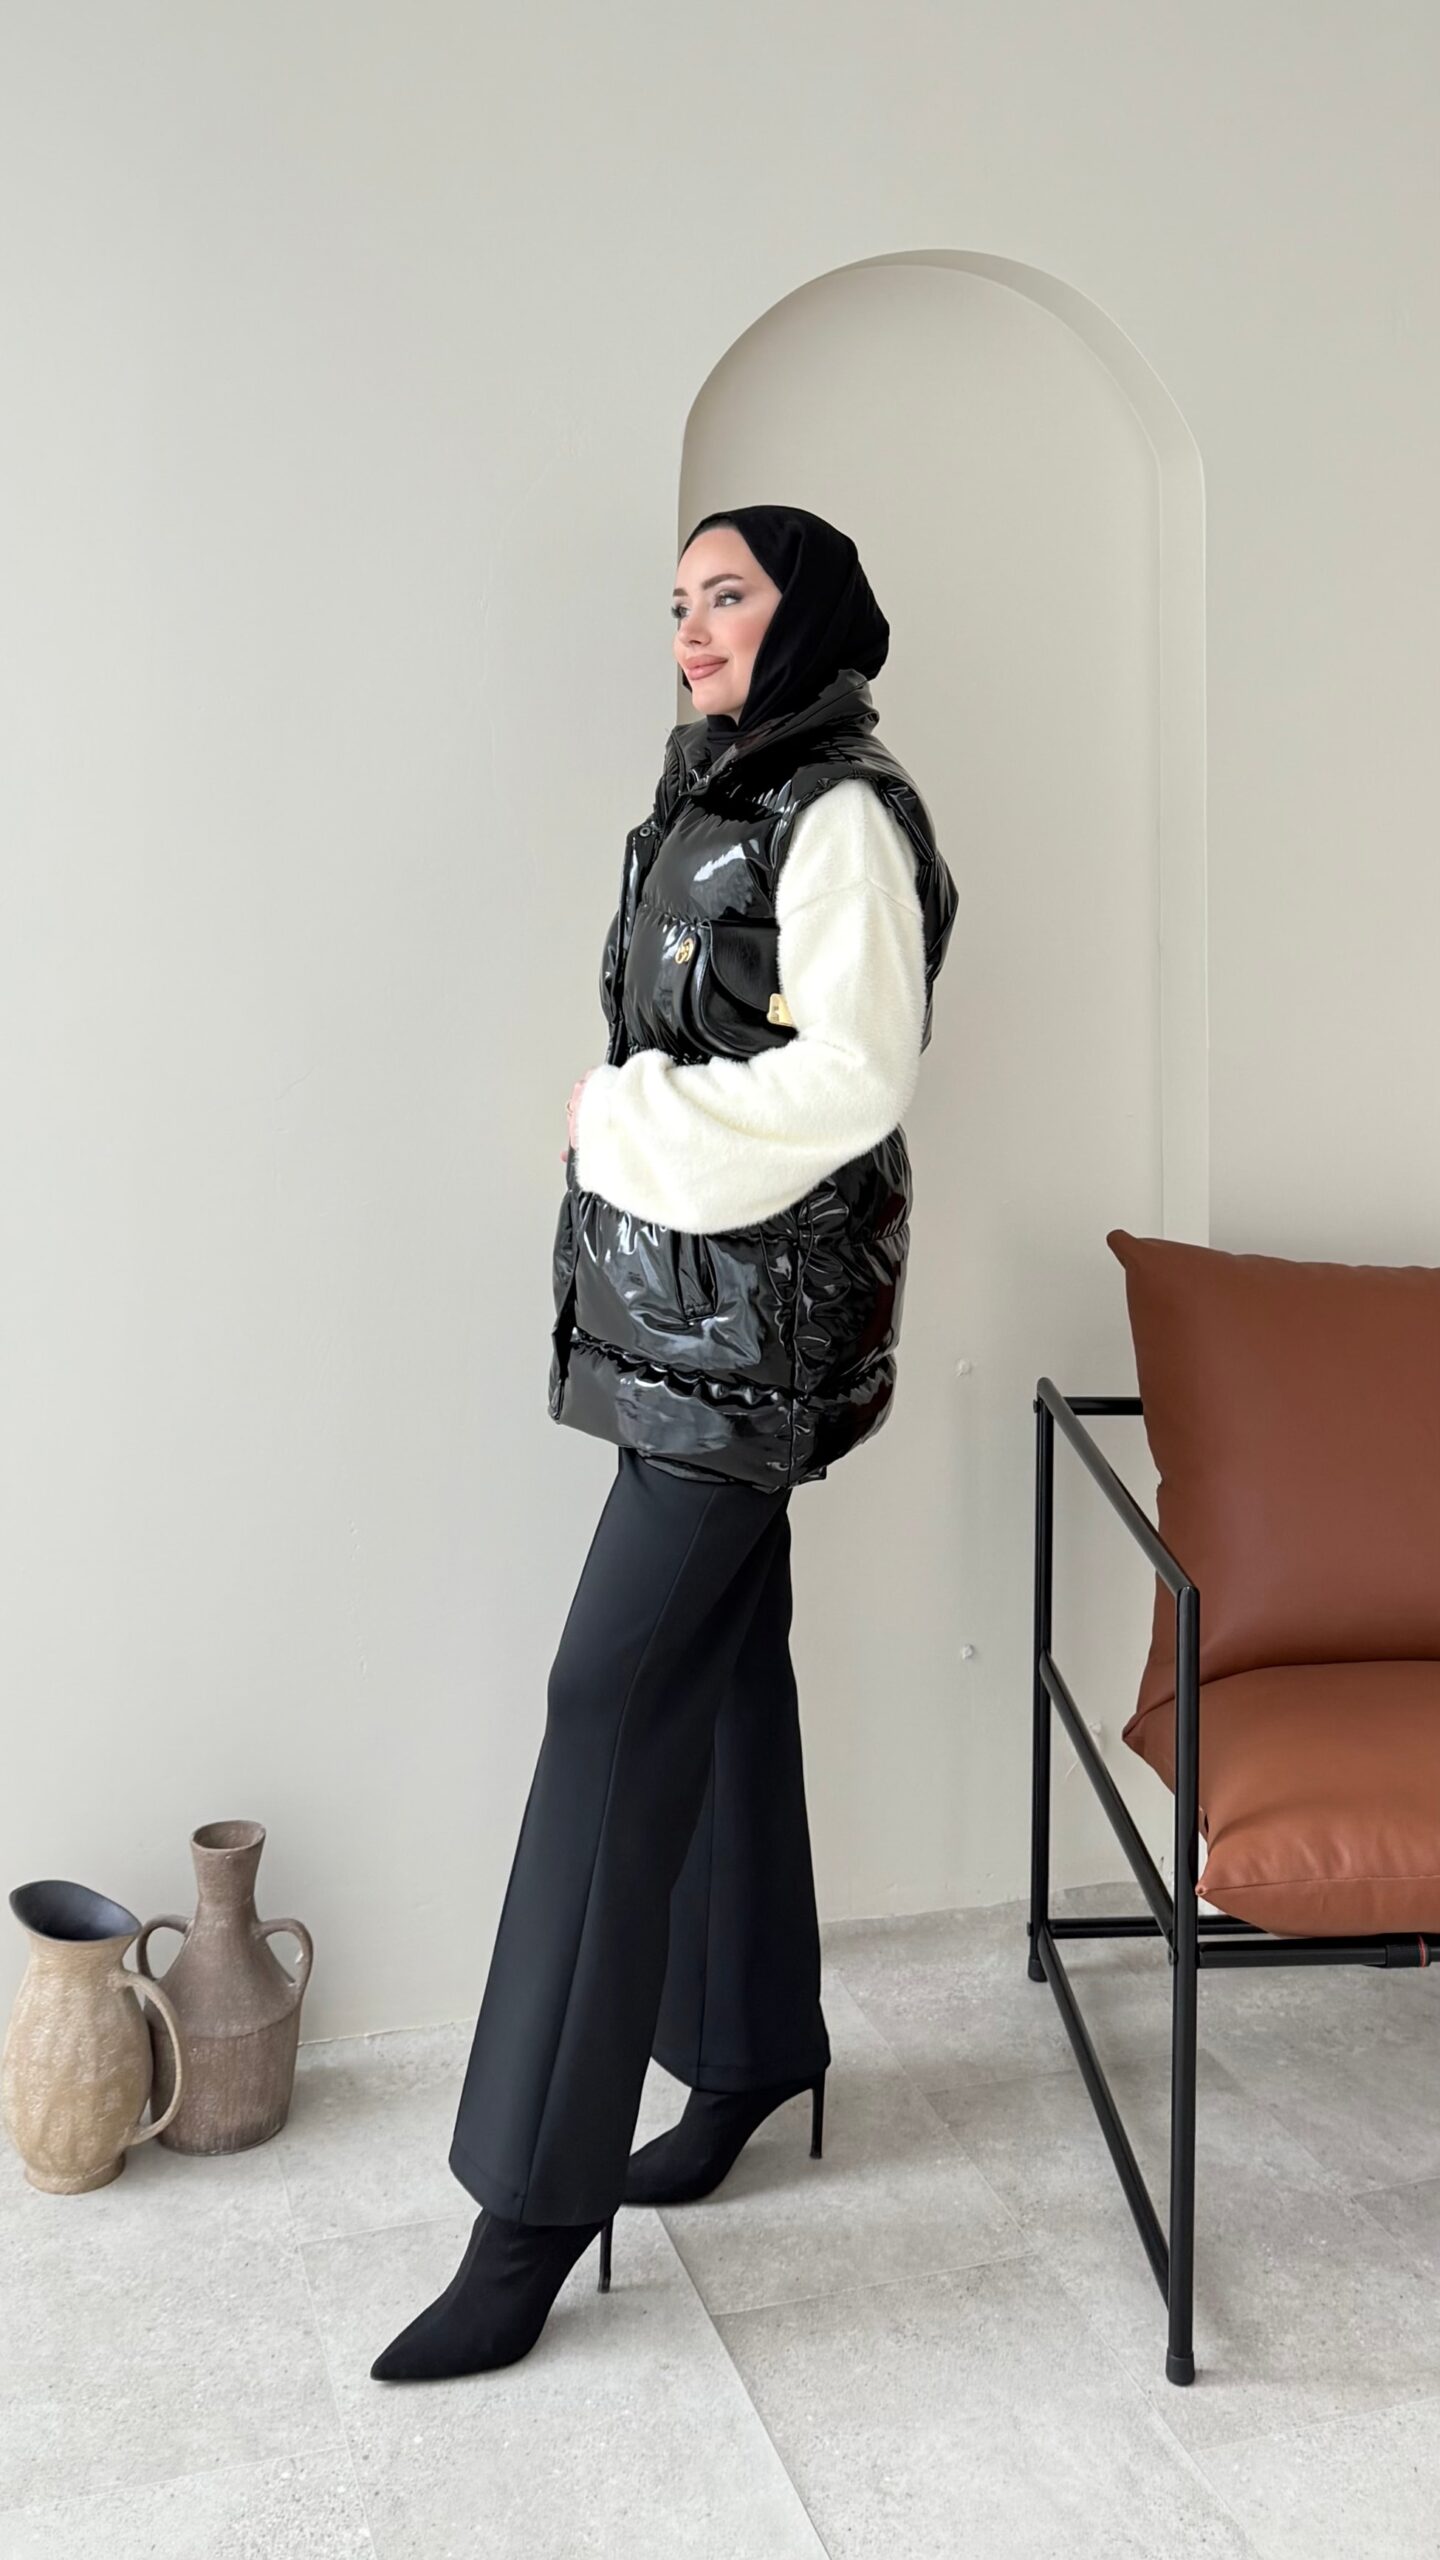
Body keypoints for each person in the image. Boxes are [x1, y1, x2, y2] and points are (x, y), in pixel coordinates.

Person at [370, 504, 958, 2383]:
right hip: (685, 1325)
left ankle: (528, 2215)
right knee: (721, 1674)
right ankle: (750, 2047)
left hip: (750, 1347)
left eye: (729, 598)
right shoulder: (713, 787)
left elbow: (856, 1073)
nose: (693, 630)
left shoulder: (838, 813)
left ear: (809, 616)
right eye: (680, 603)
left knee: (606, 1702)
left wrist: (616, 1123)